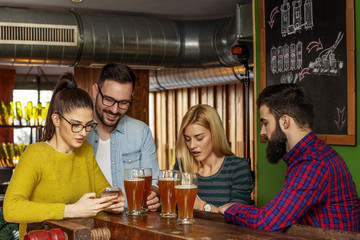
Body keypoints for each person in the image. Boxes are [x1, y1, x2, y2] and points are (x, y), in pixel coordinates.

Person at [219, 84, 360, 232]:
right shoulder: (312, 155)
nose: (262, 132)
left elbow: (267, 222)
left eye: (265, 123)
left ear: (285, 122)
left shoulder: (314, 164)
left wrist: (231, 208)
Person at [4, 73, 125, 239]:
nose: (83, 132)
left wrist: (113, 202)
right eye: (76, 125)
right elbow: (11, 209)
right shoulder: (35, 154)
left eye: (88, 125)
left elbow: (103, 191)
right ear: (56, 119)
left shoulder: (85, 151)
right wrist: (70, 210)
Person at [87, 63, 160, 211]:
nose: (114, 110)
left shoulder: (142, 132)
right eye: (108, 99)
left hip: (132, 223)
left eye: (123, 103)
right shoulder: (78, 132)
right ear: (95, 91)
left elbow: (154, 183)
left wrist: (154, 195)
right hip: (88, 222)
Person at [174, 104, 254, 213]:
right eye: (187, 139)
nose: (192, 145)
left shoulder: (238, 167)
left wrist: (203, 206)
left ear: (215, 134)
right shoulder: (181, 166)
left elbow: (238, 217)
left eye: (199, 138)